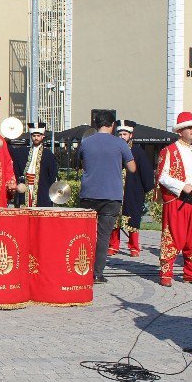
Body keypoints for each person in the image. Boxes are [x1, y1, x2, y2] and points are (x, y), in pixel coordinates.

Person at [77, 110, 136, 284]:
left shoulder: (86, 142)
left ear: (96, 125)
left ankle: (81, 268)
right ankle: (97, 273)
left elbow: (80, 163)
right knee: (103, 236)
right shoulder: (120, 143)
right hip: (111, 195)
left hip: (88, 194)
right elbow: (132, 168)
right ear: (112, 126)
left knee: (86, 234)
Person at [156, 111, 192, 287]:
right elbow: (162, 176)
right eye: (189, 127)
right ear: (180, 131)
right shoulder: (169, 151)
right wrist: (182, 186)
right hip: (179, 200)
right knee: (173, 235)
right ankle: (166, 273)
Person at [109, 120, 155, 257]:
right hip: (115, 190)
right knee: (114, 218)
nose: (122, 136)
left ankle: (134, 247)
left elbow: (146, 171)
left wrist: (147, 188)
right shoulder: (113, 150)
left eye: (125, 134)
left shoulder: (138, 151)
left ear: (131, 135)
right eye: (120, 134)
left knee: (133, 218)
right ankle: (113, 245)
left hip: (133, 190)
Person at [12, 121, 58, 208]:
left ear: (42, 136)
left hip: (41, 187)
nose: (36, 138)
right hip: (26, 186)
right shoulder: (24, 152)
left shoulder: (48, 154)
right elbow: (12, 152)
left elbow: (52, 175)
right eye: (34, 136)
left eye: (38, 136)